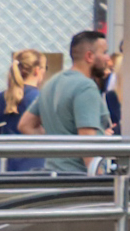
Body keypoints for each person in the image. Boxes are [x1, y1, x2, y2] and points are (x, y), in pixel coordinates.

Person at [35, 31, 113, 175]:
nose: (109, 58)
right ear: (89, 56)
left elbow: (26, 124)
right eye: (105, 52)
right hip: (78, 177)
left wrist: (55, 142)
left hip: (53, 172)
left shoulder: (52, 82)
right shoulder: (86, 87)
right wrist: (100, 179)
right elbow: (87, 138)